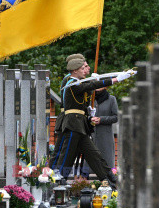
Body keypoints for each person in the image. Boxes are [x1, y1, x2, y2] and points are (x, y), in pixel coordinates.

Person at [53, 58, 133, 187]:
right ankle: (56, 184)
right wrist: (116, 79)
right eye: (82, 68)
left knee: (95, 155)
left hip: (81, 125)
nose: (85, 70)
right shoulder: (71, 82)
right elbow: (90, 86)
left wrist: (88, 112)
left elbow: (88, 90)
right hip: (73, 124)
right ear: (74, 70)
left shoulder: (77, 83)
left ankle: (112, 182)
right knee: (66, 155)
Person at [49, 53, 86, 169]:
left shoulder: (72, 79)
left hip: (72, 118)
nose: (84, 68)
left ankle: (57, 173)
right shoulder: (69, 80)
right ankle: (51, 173)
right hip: (67, 117)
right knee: (60, 149)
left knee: (66, 150)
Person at [92, 86, 119, 169]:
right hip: (91, 134)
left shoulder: (111, 99)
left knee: (106, 161)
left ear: (105, 86)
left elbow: (116, 117)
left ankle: (108, 180)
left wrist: (101, 119)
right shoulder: (89, 99)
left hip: (105, 135)